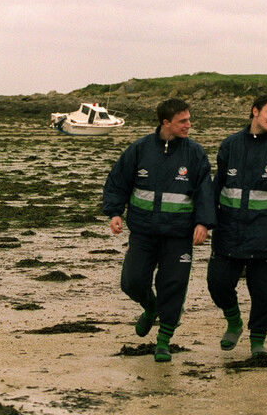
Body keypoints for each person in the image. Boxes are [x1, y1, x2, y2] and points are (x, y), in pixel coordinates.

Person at [103, 98, 216, 362]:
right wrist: (115, 212)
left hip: (179, 234)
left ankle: (163, 340)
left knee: (173, 286)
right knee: (131, 282)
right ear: (165, 122)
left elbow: (205, 192)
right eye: (182, 121)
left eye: (189, 119)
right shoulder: (140, 149)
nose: (188, 125)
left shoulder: (195, 153)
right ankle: (150, 306)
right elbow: (118, 181)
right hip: (143, 232)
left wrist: (203, 223)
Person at [207, 95, 267, 359]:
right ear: (255, 111)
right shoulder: (230, 145)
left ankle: (258, 341)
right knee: (217, 283)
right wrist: (206, 221)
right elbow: (217, 187)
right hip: (229, 233)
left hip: (266, 236)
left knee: (263, 294)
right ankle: (234, 321)